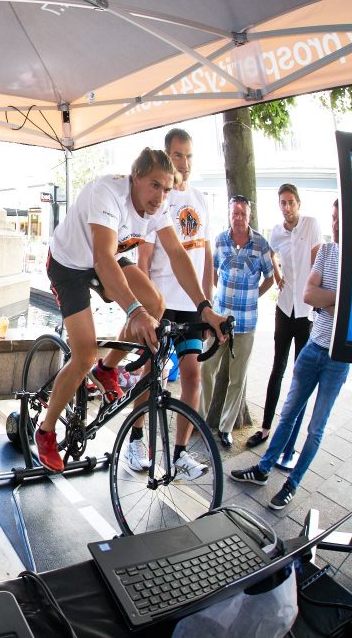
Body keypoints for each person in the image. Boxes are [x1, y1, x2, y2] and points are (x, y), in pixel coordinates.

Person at [38, 147, 228, 473]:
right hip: (70, 265)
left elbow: (178, 255)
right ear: (136, 177)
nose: (160, 196)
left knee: (156, 304)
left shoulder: (158, 207)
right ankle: (46, 430)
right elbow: (102, 259)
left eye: (166, 189)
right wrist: (135, 313)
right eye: (154, 185)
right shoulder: (107, 193)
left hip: (106, 258)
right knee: (84, 354)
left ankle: (107, 369)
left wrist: (205, 308)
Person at [230, 200, 349, 509]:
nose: (335, 225)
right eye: (333, 218)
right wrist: (342, 298)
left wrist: (328, 299)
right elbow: (309, 295)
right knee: (288, 413)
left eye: (341, 219)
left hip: (338, 358)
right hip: (314, 347)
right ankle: (263, 469)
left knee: (316, 428)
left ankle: (292, 484)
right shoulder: (327, 251)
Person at [137, 129, 212, 477]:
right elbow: (144, 257)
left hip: (191, 305)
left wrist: (206, 304)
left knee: (193, 376)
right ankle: (136, 439)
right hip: (162, 301)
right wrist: (143, 306)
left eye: (189, 155)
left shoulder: (201, 199)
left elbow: (205, 255)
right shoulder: (159, 199)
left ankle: (180, 453)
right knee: (153, 373)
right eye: (178, 155)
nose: (185, 162)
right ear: (167, 157)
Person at [246, 184, 322, 449]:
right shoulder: (277, 231)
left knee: (301, 374)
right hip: (284, 308)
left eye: (291, 202)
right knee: (277, 368)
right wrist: (277, 276)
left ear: (298, 203)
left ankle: (290, 436)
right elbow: (270, 253)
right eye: (283, 203)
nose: (287, 207)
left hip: (306, 311)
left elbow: (317, 264)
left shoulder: (311, 225)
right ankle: (266, 428)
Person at [200, 195, 275, 448]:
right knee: (206, 368)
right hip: (219, 321)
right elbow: (212, 271)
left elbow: (270, 277)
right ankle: (199, 420)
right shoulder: (220, 241)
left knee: (237, 378)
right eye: (235, 213)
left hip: (246, 324)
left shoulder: (260, 244)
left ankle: (226, 428)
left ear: (249, 215)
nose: (239, 218)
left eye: (243, 213)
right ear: (229, 215)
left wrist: (254, 296)